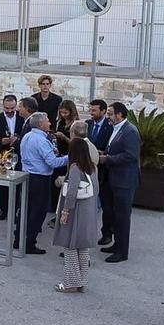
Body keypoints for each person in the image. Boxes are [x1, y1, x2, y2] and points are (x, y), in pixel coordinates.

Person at [50, 123, 101, 293]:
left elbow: (71, 193)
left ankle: (71, 282)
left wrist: (65, 212)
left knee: (70, 246)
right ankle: (82, 282)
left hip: (75, 211)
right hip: (88, 212)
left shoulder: (74, 168)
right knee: (83, 248)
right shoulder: (92, 168)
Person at [17, 112, 67, 256]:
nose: (50, 123)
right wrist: (69, 157)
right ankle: (29, 243)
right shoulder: (41, 140)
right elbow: (52, 162)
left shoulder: (27, 136)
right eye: (47, 121)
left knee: (25, 210)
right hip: (39, 179)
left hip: (27, 176)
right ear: (40, 124)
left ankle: (18, 239)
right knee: (37, 213)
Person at [99, 102, 140, 263]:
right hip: (112, 179)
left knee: (122, 217)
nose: (107, 117)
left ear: (120, 115)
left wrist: (107, 159)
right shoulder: (116, 128)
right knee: (113, 214)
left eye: (110, 114)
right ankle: (116, 244)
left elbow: (131, 155)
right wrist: (105, 153)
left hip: (124, 181)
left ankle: (122, 251)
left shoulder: (130, 131)